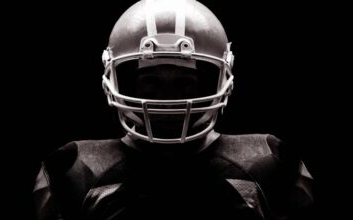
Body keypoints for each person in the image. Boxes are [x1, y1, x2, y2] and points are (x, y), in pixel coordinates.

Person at [33, 0, 315, 219]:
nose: (168, 101)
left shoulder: (271, 164)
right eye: (151, 85)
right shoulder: (73, 171)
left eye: (184, 85)